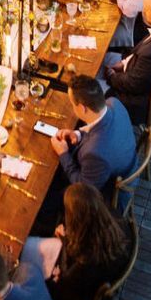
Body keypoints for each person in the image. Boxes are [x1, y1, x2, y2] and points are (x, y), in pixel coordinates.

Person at [32, 75, 137, 235]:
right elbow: (98, 130)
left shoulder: (96, 153)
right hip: (121, 161)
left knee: (43, 197)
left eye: (72, 104)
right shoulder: (114, 104)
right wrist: (78, 134)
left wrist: (63, 153)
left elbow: (81, 187)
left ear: (82, 108)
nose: (72, 107)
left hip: (104, 195)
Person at [34, 184, 132, 300]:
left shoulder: (85, 262)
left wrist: (64, 245)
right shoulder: (114, 219)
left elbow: (62, 291)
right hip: (103, 274)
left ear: (76, 218)